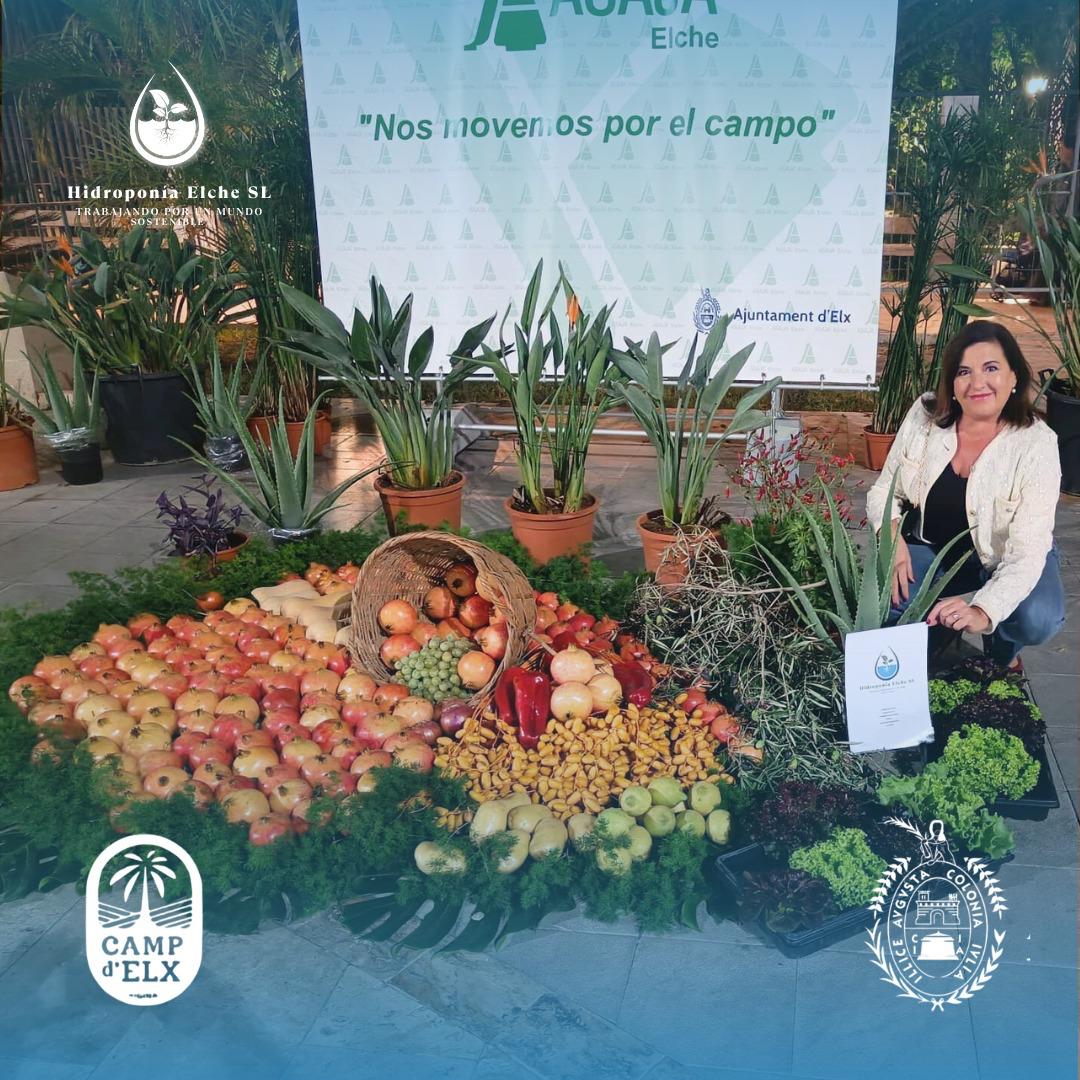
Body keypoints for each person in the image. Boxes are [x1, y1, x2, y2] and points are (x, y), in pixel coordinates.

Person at [865, 320, 1065, 666]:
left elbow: (1027, 552)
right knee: (890, 600)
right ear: (952, 383)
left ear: (1014, 377)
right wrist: (892, 540)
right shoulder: (926, 416)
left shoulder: (1037, 444)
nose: (977, 383)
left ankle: (1002, 651)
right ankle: (940, 631)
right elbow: (885, 489)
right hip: (932, 548)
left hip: (1004, 556)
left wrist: (983, 611)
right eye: (964, 372)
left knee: (1037, 617)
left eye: (991, 368)